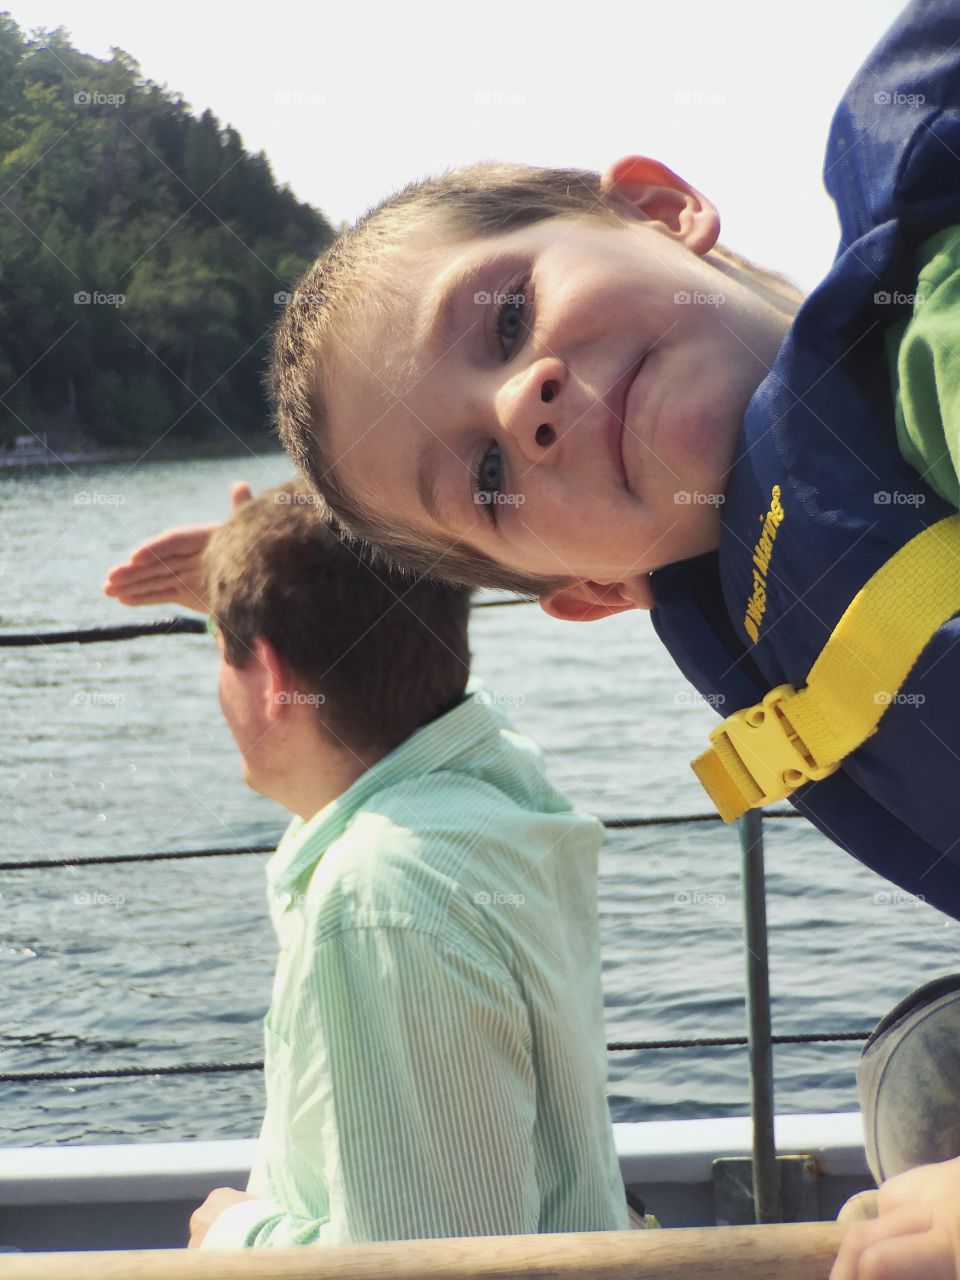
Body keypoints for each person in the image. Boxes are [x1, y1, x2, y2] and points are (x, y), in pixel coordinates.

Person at [264, 0, 960, 923]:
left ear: (661, 211)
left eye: (509, 318)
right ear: (595, 590)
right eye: (484, 479)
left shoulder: (934, 334)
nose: (521, 409)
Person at [103, 480, 630, 1248]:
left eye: (222, 652)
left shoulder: (380, 899)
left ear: (276, 684)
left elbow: (435, 1265)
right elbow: (382, 673)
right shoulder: (485, 783)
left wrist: (235, 1236)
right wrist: (270, 587)